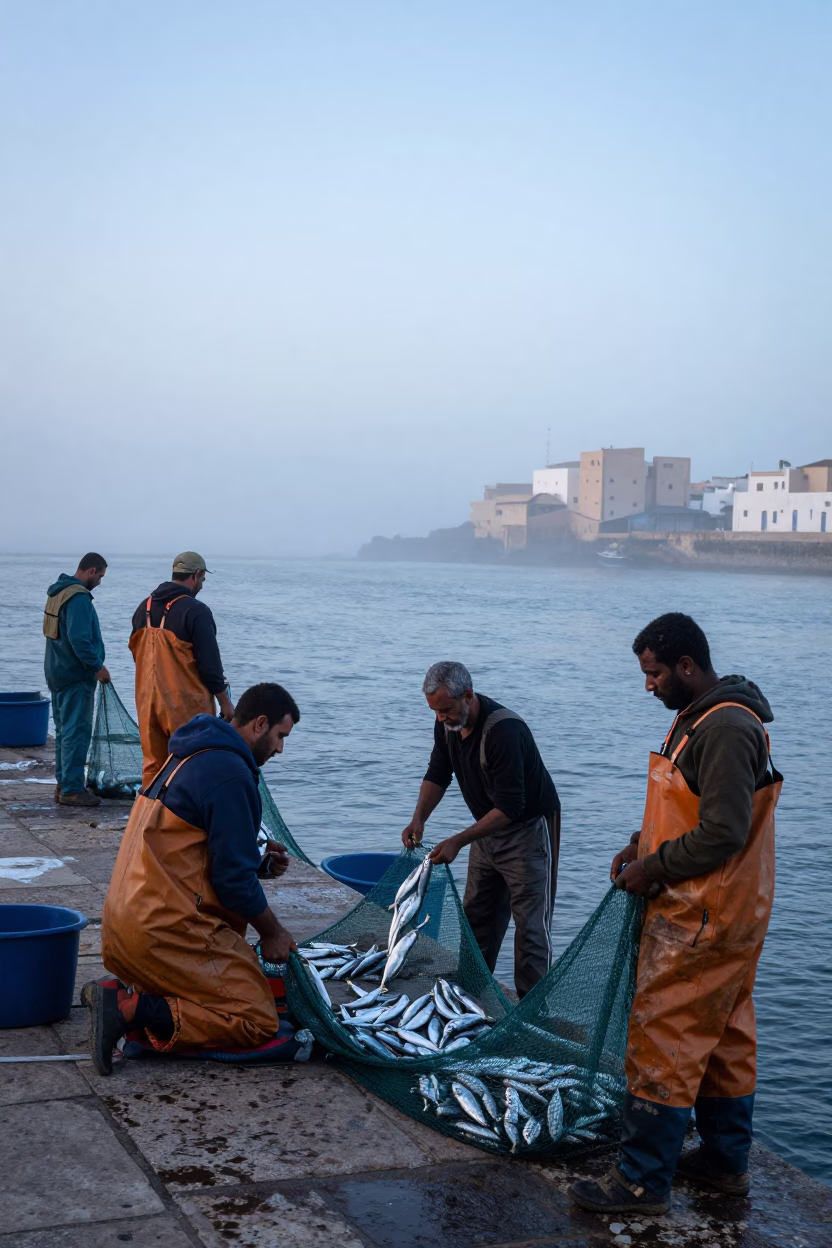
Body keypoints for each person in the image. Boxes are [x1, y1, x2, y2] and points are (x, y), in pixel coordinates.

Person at [570, 613, 781, 1217]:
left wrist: (654, 868)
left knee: (664, 1036)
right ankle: (723, 1164)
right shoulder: (700, 721)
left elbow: (724, 831)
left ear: (687, 666)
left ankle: (640, 1183)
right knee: (724, 1040)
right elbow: (691, 809)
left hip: (702, 918)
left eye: (655, 673)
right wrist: (643, 843)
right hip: (731, 913)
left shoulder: (728, 728)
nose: (649, 685)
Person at [87, 682, 300, 1074]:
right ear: (260, 724)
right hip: (163, 933)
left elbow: (195, 852)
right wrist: (273, 932)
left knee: (236, 989)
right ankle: (131, 1008)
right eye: (280, 737)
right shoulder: (231, 771)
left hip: (122, 931)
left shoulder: (190, 754)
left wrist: (259, 864)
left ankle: (115, 989)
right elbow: (233, 884)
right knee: (258, 1019)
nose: (281, 749)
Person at [402, 660, 560, 998]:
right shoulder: (445, 723)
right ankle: (469, 994)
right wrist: (419, 818)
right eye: (435, 711)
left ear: (468, 695)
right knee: (477, 917)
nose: (441, 717)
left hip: (527, 830)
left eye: (445, 709)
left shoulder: (505, 731)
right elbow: (437, 773)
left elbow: (511, 807)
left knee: (531, 928)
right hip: (487, 829)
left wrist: (458, 840)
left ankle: (531, 1010)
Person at [129, 551, 235, 788]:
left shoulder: (142, 609)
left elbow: (138, 655)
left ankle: (148, 820)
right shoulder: (196, 610)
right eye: (203, 580)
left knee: (153, 768)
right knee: (191, 764)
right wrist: (225, 702)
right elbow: (210, 666)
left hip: (147, 703)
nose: (201, 586)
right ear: (196, 575)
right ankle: (185, 822)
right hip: (186, 707)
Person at [43, 553, 111, 807]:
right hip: (75, 676)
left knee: (63, 731)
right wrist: (97, 667)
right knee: (76, 732)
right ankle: (72, 789)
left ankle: (64, 783)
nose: (100, 582)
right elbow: (80, 640)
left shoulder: (57, 593)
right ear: (91, 570)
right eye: (100, 576)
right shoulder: (79, 597)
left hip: (56, 672)